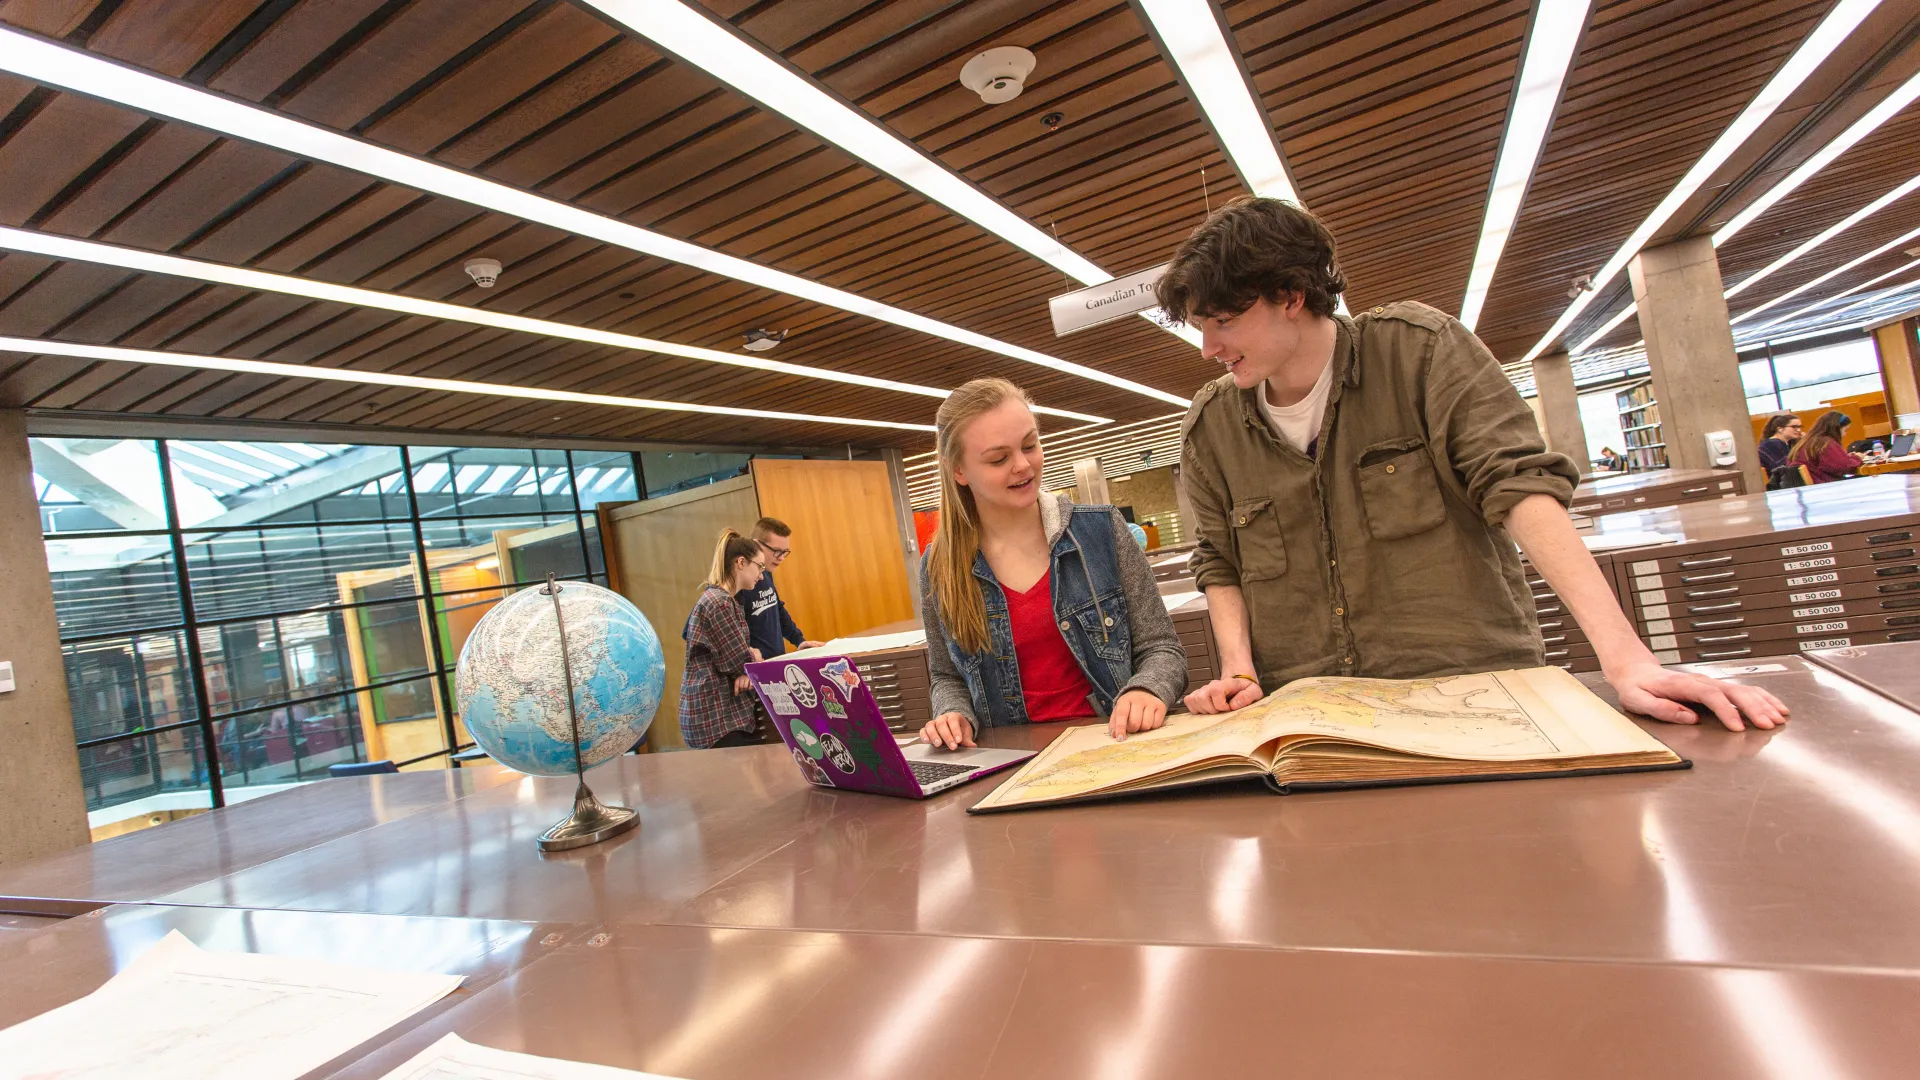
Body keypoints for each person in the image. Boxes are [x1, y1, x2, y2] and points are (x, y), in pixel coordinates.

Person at [1157, 196, 1787, 732]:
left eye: (1223, 321)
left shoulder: (1420, 353)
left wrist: (1627, 661)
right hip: (1313, 718)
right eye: (1199, 327)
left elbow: (1519, 489)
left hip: (1473, 696)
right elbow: (1221, 559)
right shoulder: (1212, 426)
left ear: (1290, 295)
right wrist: (1238, 668)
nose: (1209, 348)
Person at [917, 378, 1190, 749]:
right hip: (1009, 762)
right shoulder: (940, 566)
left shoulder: (1101, 531)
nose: (1023, 465)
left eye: (1030, 445)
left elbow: (1162, 648)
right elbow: (946, 677)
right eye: (999, 458)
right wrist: (952, 715)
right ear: (958, 471)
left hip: (1116, 745)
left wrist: (1147, 690)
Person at [679, 529, 770, 749]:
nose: (761, 576)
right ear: (741, 562)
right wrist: (750, 660)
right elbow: (737, 660)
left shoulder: (724, 599)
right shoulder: (720, 602)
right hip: (715, 718)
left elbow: (738, 660)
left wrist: (746, 666)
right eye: (760, 566)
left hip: (717, 715)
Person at [736, 516, 824, 658]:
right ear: (756, 545)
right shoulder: (740, 582)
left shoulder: (766, 573)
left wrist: (799, 640)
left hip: (775, 661)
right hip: (752, 669)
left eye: (785, 552)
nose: (781, 558)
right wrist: (743, 661)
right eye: (776, 551)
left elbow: (777, 609)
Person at [1786, 411, 1862, 484]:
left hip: (1814, 485)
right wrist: (1857, 458)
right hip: (1824, 485)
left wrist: (1849, 458)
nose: (1844, 434)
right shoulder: (1825, 443)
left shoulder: (1806, 442)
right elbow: (1843, 467)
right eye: (1845, 430)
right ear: (1836, 428)